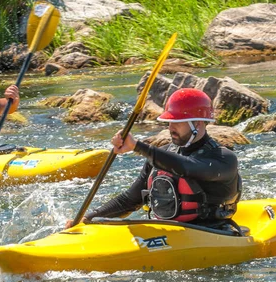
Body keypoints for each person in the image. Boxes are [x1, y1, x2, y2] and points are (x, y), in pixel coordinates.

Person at [69, 88, 242, 234]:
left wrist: (137, 146)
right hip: (169, 232)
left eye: (177, 122)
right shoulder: (164, 154)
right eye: (169, 122)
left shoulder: (223, 158)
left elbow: (186, 167)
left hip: (212, 232)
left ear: (198, 124)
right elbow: (130, 200)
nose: (171, 128)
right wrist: (88, 218)